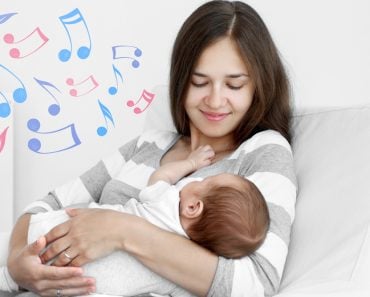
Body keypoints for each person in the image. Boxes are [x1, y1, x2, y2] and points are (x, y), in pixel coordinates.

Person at [7, 1, 297, 296]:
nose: (215, 99)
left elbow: (255, 283)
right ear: (182, 81)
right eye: (200, 82)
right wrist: (18, 264)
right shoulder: (149, 143)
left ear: (257, 87)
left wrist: (121, 230)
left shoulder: (264, 150)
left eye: (234, 85)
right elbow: (46, 205)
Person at [4, 145, 269, 296]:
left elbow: (161, 177)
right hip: (85, 287)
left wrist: (190, 163)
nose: (198, 178)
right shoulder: (183, 268)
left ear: (192, 206)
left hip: (54, 235)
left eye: (206, 181)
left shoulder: (166, 199)